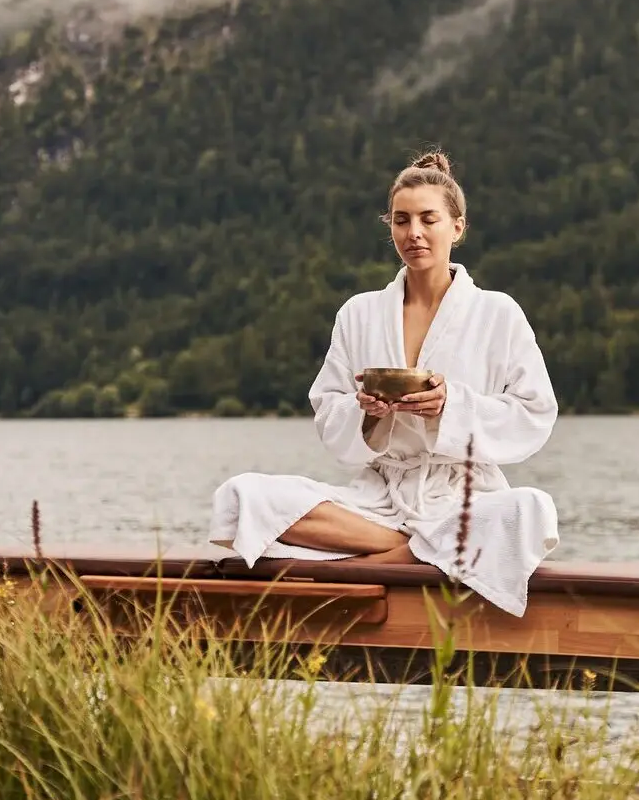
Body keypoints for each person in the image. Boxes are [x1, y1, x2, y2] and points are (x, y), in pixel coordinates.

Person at [208, 150, 558, 616]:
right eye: (401, 220)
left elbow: (534, 411)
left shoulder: (498, 313)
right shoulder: (359, 312)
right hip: (380, 498)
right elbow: (329, 406)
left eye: (428, 219)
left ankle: (370, 566)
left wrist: (450, 406)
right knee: (243, 495)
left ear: (457, 227)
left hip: (462, 496)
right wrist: (367, 413)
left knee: (528, 511)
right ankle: (409, 551)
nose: (414, 233)